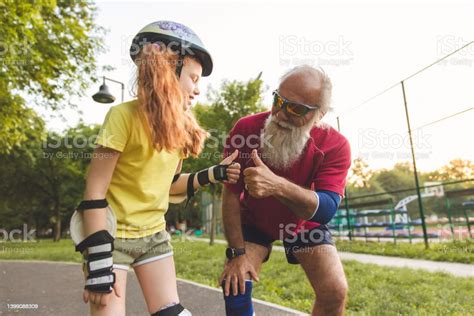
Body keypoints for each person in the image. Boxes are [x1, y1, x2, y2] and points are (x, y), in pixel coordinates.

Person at [73, 20, 241, 316]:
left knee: (170, 311)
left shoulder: (180, 129)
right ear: (167, 68)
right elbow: (94, 192)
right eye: (193, 77)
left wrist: (216, 173)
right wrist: (99, 262)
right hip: (112, 238)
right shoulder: (122, 117)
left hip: (154, 236)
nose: (197, 90)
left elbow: (171, 184)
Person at [219, 65, 351, 316]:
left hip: (305, 223)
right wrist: (236, 253)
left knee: (334, 291)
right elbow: (231, 193)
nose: (280, 113)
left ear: (319, 114)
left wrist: (276, 185)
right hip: (255, 221)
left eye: (296, 109)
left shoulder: (336, 146)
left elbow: (325, 210)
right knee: (235, 284)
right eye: (279, 100)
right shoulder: (246, 129)